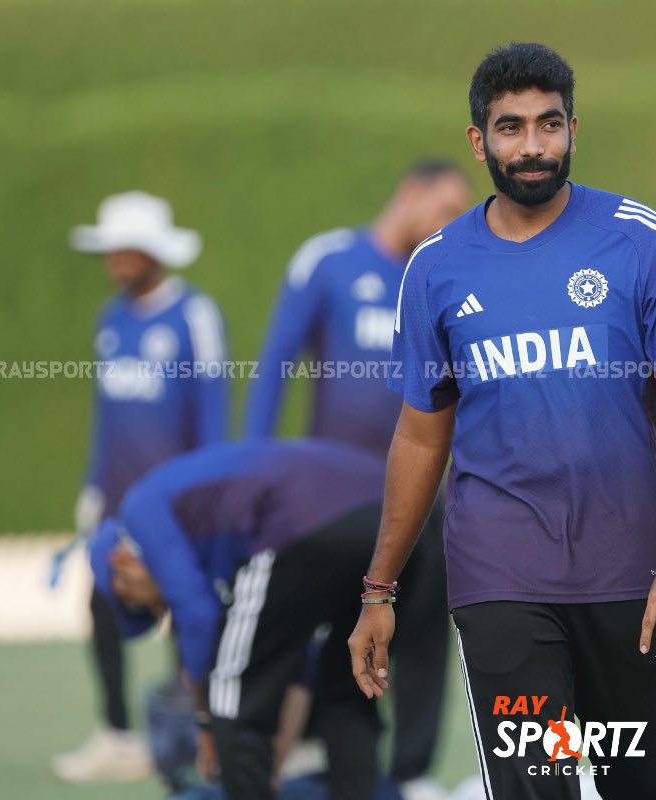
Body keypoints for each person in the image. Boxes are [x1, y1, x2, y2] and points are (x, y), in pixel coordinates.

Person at [347, 42, 656, 800]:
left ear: (573, 130)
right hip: (503, 583)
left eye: (548, 125)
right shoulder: (436, 268)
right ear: (478, 140)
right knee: (540, 784)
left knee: (640, 790)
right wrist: (379, 590)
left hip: (632, 582)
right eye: (511, 127)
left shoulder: (639, 238)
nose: (531, 146)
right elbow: (422, 436)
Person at [244, 159, 472, 800]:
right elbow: (274, 366)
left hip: (423, 491)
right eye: (447, 206)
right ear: (409, 193)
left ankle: (412, 773)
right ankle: (300, 749)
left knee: (426, 628)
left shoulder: (442, 277)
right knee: (319, 624)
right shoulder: (329, 260)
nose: (453, 221)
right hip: (332, 500)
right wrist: (258, 470)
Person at [89, 439, 390, 800]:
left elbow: (197, 618)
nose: (158, 612)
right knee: (347, 690)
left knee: (232, 692)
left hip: (307, 520)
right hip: (389, 512)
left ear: (121, 562)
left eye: (137, 605)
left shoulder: (140, 509)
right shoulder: (218, 540)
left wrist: (206, 723)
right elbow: (298, 660)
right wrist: (272, 768)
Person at [54, 190, 230, 783]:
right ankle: (117, 734)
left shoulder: (194, 315)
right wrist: (93, 487)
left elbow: (212, 410)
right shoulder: (111, 320)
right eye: (111, 251)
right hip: (118, 506)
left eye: (125, 250)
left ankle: (196, 734)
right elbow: (108, 416)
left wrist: (207, 495)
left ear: (152, 252)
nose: (115, 261)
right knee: (101, 607)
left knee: (188, 614)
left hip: (179, 508)